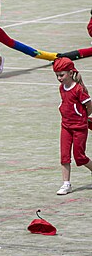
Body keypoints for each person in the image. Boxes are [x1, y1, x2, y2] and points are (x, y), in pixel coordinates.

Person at [53, 57, 92, 195]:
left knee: (80, 157)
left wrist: (82, 117)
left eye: (61, 75)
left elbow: (89, 106)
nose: (59, 78)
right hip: (65, 126)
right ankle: (66, 184)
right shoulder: (61, 87)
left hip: (79, 127)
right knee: (64, 156)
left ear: (70, 73)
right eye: (57, 75)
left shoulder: (79, 89)